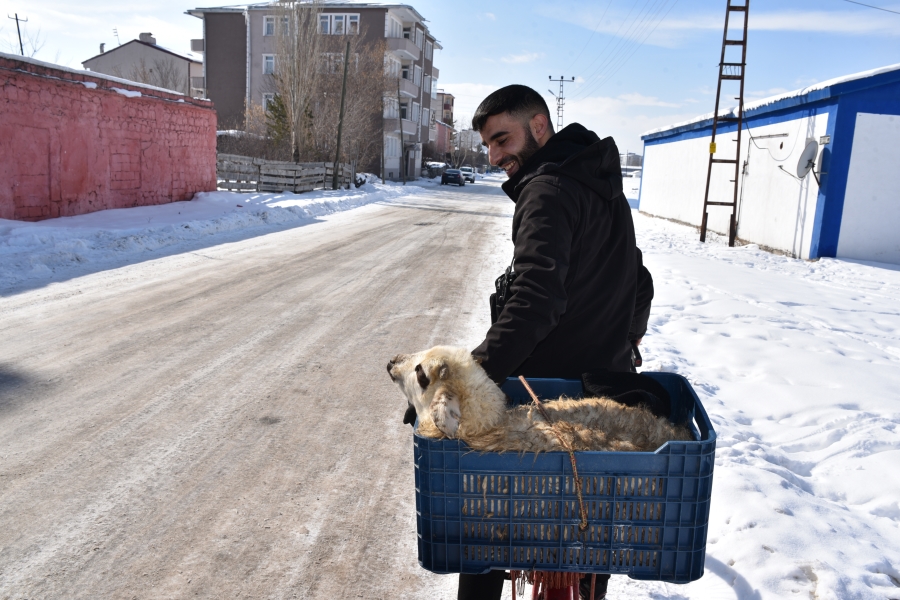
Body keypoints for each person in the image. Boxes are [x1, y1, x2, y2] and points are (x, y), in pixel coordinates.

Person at [460, 84, 655, 600]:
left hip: (548, 404)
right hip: (608, 395)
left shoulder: (547, 190)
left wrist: (470, 378)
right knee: (587, 545)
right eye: (488, 146)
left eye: (503, 139)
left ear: (539, 127)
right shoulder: (597, 179)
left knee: (486, 528)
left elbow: (535, 301)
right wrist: (625, 338)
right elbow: (639, 278)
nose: (496, 155)